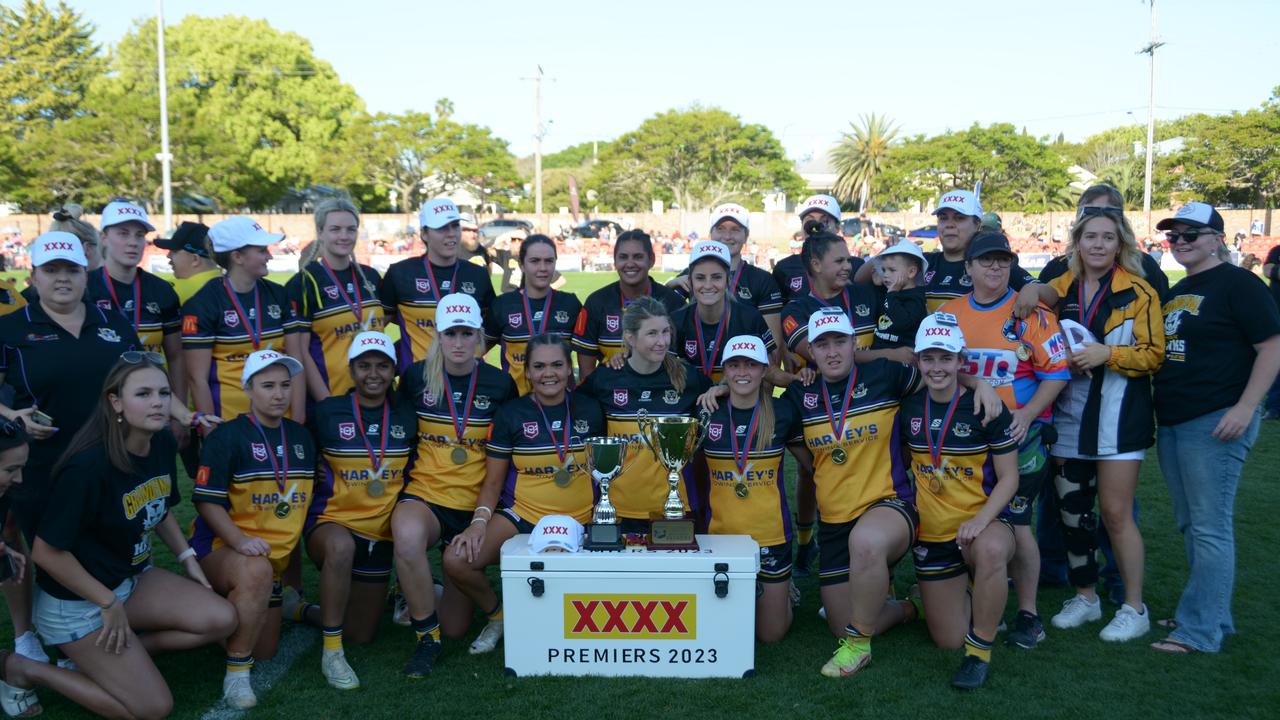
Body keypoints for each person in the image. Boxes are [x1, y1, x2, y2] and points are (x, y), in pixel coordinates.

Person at [26, 355, 236, 720]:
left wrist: (188, 559)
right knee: (151, 709)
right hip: (77, 605)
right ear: (115, 402)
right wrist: (107, 603)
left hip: (129, 581)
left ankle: (119, 656)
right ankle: (27, 669)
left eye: (163, 392)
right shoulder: (88, 466)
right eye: (143, 393)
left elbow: (160, 507)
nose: (157, 402)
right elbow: (45, 552)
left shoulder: (162, 443)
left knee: (221, 619)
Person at [0, 233, 148, 681]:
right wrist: (13, 416)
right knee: (27, 544)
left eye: (71, 270)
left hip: (107, 461)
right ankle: (26, 634)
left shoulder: (113, 322)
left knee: (100, 540)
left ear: (87, 274)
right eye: (52, 270)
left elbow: (140, 376)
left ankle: (86, 634)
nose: (62, 278)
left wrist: (184, 414)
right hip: (38, 462)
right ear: (34, 276)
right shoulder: (9, 328)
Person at [1150, 202, 1280, 654]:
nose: (1181, 242)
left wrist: (1247, 407)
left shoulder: (1240, 284)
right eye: (1174, 236)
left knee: (1209, 527)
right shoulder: (1180, 287)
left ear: (1218, 238)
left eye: (1192, 235)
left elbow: (1272, 346)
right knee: (1192, 524)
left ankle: (1199, 631)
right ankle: (1210, 613)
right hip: (1175, 421)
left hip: (1216, 420)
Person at [782, 308, 933, 677]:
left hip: (889, 505)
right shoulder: (800, 394)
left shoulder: (884, 373)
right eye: (822, 344)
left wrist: (983, 388)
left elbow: (939, 374)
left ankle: (858, 647)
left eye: (839, 342)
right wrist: (722, 387)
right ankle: (910, 606)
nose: (832, 352)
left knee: (866, 543)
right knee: (840, 621)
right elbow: (761, 411)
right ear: (811, 352)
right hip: (835, 522)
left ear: (854, 344)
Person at [940, 231, 1069, 650]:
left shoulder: (1031, 311)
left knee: (1016, 521)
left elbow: (1057, 373)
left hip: (1020, 436)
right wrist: (975, 382)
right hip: (964, 438)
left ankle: (1028, 612)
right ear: (969, 267)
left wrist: (1028, 414)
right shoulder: (950, 313)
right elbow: (937, 363)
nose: (995, 268)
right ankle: (977, 589)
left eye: (1002, 260)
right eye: (986, 261)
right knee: (973, 514)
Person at [1044, 205, 1163, 642]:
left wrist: (1107, 355)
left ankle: (1135, 607)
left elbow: (1154, 354)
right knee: (1072, 515)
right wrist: (1030, 292)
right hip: (1070, 418)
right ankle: (1086, 597)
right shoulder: (1062, 286)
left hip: (1117, 421)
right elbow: (1037, 301)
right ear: (1077, 242)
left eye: (1107, 237)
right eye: (1090, 237)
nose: (1097, 244)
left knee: (1115, 514)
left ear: (1121, 244)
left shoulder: (1141, 293)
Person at [444, 334, 606, 653]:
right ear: (528, 372)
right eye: (540, 366)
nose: (549, 373)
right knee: (457, 559)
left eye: (557, 365)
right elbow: (492, 483)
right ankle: (499, 617)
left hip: (580, 519)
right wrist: (478, 523)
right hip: (524, 516)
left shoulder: (590, 409)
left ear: (569, 368)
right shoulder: (511, 414)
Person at [391, 294, 516, 675]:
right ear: (437, 336)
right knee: (407, 536)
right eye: (451, 334)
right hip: (426, 496)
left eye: (466, 333)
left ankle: (421, 592)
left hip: (474, 505)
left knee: (458, 627)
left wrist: (484, 516)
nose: (458, 343)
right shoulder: (415, 377)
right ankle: (426, 640)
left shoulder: (499, 383)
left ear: (480, 336)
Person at [190, 350, 316, 708]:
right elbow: (206, 501)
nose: (278, 394)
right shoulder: (226, 437)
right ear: (248, 388)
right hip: (221, 549)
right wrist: (239, 540)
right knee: (256, 572)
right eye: (267, 386)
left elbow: (291, 512)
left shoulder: (301, 437)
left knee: (267, 649)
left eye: (285, 386)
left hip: (267, 561)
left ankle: (235, 607)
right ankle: (236, 675)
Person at [289, 331, 414, 690]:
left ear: (394, 370)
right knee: (340, 548)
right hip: (331, 523)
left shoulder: (406, 413)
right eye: (364, 366)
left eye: (382, 366)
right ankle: (331, 652)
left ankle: (300, 610)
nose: (373, 374)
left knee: (362, 633)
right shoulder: (328, 411)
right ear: (351, 369)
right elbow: (298, 453)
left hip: (379, 535)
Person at [900, 313, 1018, 689]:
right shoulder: (909, 409)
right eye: (929, 358)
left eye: (946, 358)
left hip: (980, 523)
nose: (937, 367)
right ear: (918, 360)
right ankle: (974, 592)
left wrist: (981, 521)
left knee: (992, 550)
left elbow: (1010, 478)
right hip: (933, 535)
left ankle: (979, 652)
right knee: (946, 638)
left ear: (959, 360)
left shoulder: (987, 407)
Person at [575, 297, 713, 532]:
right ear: (630, 337)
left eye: (665, 332)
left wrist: (721, 389)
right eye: (652, 334)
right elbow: (576, 409)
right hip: (616, 508)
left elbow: (722, 396)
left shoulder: (687, 378)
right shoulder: (605, 379)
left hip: (676, 507)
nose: (662, 342)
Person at [700, 335, 802, 642]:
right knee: (722, 630)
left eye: (751, 365)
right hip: (720, 537)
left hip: (770, 535)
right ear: (725, 371)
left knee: (770, 635)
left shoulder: (783, 412)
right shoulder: (708, 412)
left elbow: (812, 465)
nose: (742, 372)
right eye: (734, 365)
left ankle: (785, 593)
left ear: (764, 370)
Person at [182, 216, 306, 421]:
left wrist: (298, 420)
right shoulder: (203, 304)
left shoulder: (279, 294)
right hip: (228, 420)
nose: (269, 256)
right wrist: (212, 430)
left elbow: (296, 360)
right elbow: (198, 379)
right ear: (238, 257)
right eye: (261, 250)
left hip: (280, 420)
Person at [89, 201, 186, 438]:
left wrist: (178, 414)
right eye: (122, 233)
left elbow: (175, 357)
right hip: (97, 407)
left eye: (139, 235)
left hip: (151, 407)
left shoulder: (161, 290)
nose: (133, 242)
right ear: (103, 237)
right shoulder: (85, 288)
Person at [287, 198, 386, 403]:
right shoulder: (304, 283)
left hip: (377, 396)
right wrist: (326, 402)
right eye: (335, 229)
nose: (344, 236)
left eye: (351, 229)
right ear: (320, 232)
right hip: (332, 397)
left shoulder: (371, 277)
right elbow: (300, 352)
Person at [379, 198, 495, 370]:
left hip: (465, 384)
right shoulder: (400, 273)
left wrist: (473, 354)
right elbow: (377, 327)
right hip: (417, 385)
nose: (451, 233)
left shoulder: (477, 274)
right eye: (442, 228)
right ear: (424, 234)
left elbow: (492, 330)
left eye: (455, 225)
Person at [903, 189, 1054, 314]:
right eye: (943, 218)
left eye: (959, 218)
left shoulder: (994, 265)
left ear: (977, 225)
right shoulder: (922, 262)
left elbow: (1052, 295)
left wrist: (1033, 288)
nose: (949, 225)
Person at [666, 204, 786, 356]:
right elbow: (662, 323)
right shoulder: (687, 276)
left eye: (735, 229)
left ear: (746, 235)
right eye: (720, 228)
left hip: (744, 370)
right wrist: (670, 285)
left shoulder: (762, 280)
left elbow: (772, 350)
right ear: (711, 233)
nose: (727, 236)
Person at [572, 230, 684, 378]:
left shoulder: (674, 303)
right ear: (615, 261)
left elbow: (684, 359)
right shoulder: (597, 302)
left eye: (638, 257)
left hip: (660, 395)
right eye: (623, 257)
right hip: (611, 395)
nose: (630, 264)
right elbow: (587, 362)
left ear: (651, 260)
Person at [484, 235, 582, 394]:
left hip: (562, 405)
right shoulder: (503, 305)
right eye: (535, 261)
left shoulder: (570, 304)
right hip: (515, 404)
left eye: (549, 261)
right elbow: (478, 349)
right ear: (522, 265)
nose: (543, 267)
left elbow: (590, 351)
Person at [670, 241, 778, 382]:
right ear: (690, 282)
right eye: (700, 278)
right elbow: (665, 373)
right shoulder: (676, 320)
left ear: (728, 281)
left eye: (716, 277)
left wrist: (796, 378)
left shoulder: (750, 318)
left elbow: (768, 372)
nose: (708, 285)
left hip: (736, 401)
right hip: (690, 401)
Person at [1039, 184, 1169, 300]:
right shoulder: (1055, 270)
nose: (1100, 220)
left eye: (1108, 213)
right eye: (1091, 213)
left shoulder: (1146, 267)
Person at [773, 195, 864, 304]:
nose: (816, 226)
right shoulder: (784, 268)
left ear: (837, 228)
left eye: (824, 221)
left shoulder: (858, 267)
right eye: (810, 220)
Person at [869, 240, 929, 354]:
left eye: (892, 270)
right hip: (878, 354)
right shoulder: (888, 290)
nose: (885, 274)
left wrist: (892, 294)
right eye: (883, 270)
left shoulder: (916, 296)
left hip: (901, 360)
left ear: (911, 272)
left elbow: (903, 322)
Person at [153, 222, 221, 305]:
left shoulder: (175, 291)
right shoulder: (229, 285)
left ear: (195, 259)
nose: (168, 255)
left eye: (174, 251)